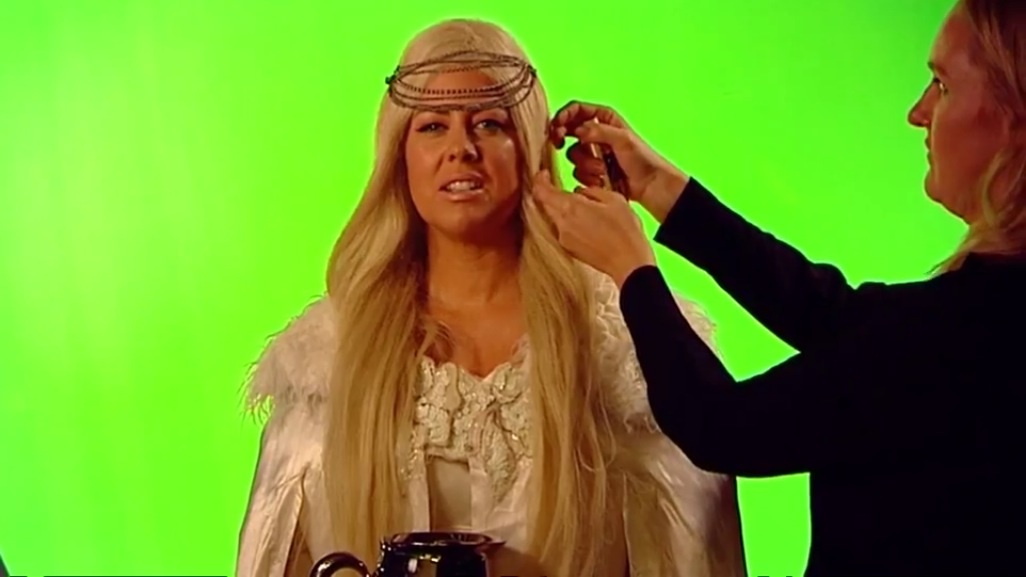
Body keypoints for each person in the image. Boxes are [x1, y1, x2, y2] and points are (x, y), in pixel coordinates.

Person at [235, 18, 747, 577]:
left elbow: (692, 552)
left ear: (529, 150)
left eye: (488, 124)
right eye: (433, 126)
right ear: (400, 156)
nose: (461, 148)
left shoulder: (625, 352)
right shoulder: (332, 357)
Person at [532, 0, 1026, 575]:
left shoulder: (958, 334)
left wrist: (632, 268)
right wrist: (663, 190)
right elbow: (839, 318)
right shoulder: (979, 315)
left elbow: (722, 426)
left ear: (1013, 117)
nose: (919, 112)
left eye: (942, 84)